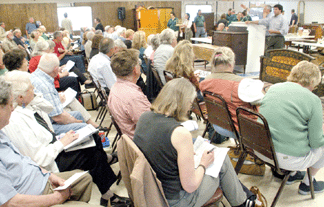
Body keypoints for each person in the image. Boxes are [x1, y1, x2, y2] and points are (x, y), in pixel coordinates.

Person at [3, 70, 129, 206]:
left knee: (92, 139)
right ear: (20, 97)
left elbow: (49, 108)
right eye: (30, 88)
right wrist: (62, 143)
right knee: (92, 154)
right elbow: (38, 157)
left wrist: (33, 97)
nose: (34, 89)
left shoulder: (28, 106)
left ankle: (107, 189)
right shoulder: (15, 120)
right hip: (49, 159)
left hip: (53, 146)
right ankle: (108, 194)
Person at [133, 78, 263, 207]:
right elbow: (190, 186)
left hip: (153, 190)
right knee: (221, 162)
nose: (190, 106)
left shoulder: (145, 117)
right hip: (177, 200)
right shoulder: (180, 133)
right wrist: (203, 164)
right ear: (183, 103)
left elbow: (161, 147)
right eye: (190, 102)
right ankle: (243, 203)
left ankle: (243, 200)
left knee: (217, 161)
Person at [0, 77, 96, 207]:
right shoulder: (14, 122)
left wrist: (49, 175)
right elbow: (11, 202)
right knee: (91, 153)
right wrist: (56, 198)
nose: (12, 108)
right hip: (35, 195)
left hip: (41, 179)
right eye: (10, 104)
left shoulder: (2, 131)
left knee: (84, 179)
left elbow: (25, 160)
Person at [259, 61, 324, 195]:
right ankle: (307, 183)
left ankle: (292, 175)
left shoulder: (274, 88)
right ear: (312, 81)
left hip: (262, 151)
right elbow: (316, 142)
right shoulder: (313, 100)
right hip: (286, 158)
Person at [200, 46, 264, 138]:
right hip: (241, 128)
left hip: (219, 125)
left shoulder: (205, 82)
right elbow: (262, 101)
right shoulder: (241, 85)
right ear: (231, 64)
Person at [30, 53, 99, 134]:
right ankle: (94, 136)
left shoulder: (36, 75)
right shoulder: (44, 85)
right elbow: (57, 117)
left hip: (47, 118)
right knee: (85, 128)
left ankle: (93, 132)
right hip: (48, 126)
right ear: (55, 69)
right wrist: (73, 120)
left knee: (78, 114)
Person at [108, 49, 151, 139]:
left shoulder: (115, 88)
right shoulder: (133, 97)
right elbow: (151, 126)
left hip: (131, 137)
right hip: (142, 142)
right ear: (135, 69)